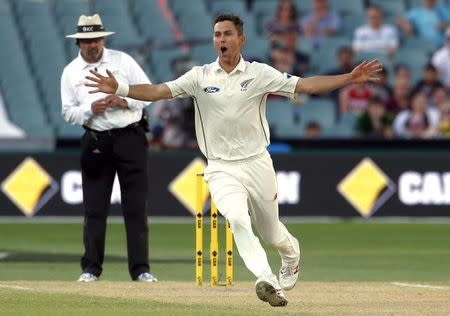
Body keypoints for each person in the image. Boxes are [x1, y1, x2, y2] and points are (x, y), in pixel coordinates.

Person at [85, 14, 382, 307]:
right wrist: (122, 89)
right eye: (217, 35)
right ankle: (266, 280)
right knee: (238, 219)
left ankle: (292, 256)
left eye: (227, 34)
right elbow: (159, 91)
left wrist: (349, 78)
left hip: (257, 162)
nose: (221, 40)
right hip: (220, 167)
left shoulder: (260, 73)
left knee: (271, 231)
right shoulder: (199, 76)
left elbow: (305, 86)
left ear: (241, 39)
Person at [60, 14, 157, 283]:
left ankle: (141, 270)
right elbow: (67, 113)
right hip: (96, 140)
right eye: (87, 41)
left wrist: (125, 101)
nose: (93, 45)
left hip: (131, 137)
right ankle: (91, 269)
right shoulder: (70, 72)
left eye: (97, 39)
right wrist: (89, 110)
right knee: (94, 209)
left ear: (103, 39)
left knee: (136, 207)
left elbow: (148, 93)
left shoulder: (122, 61)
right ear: (78, 42)